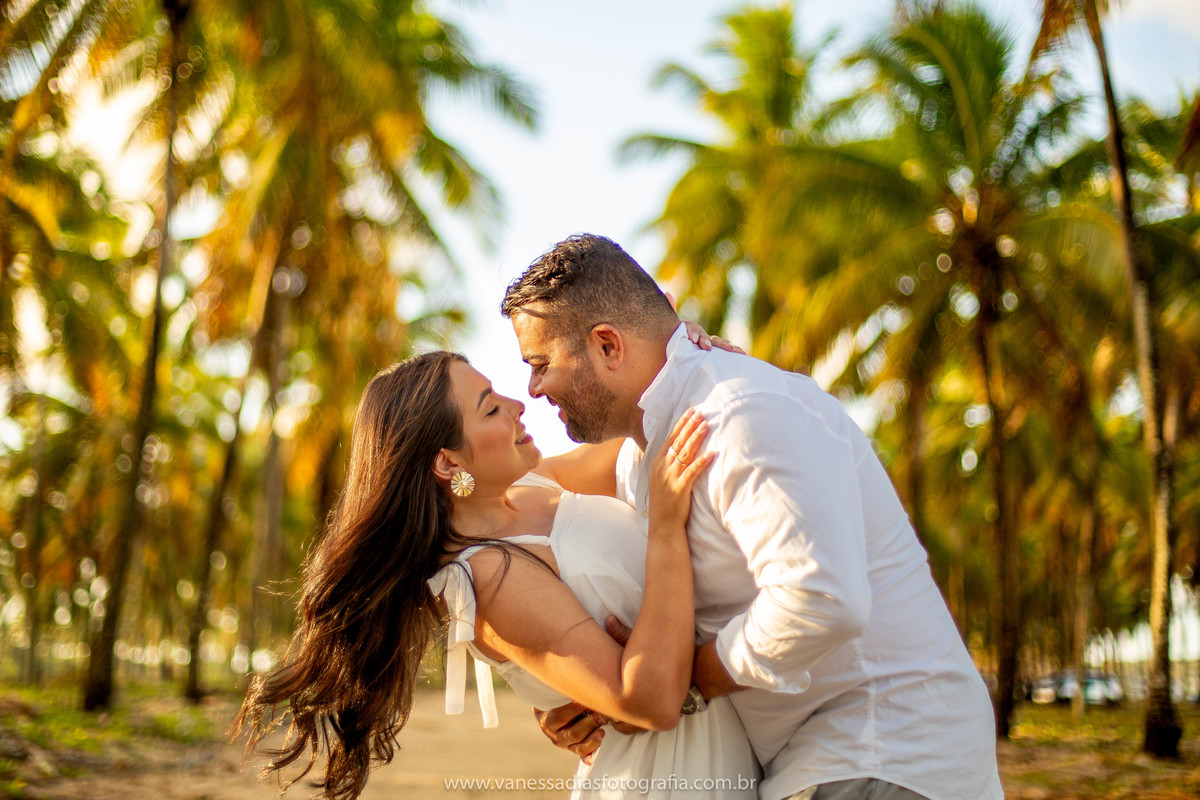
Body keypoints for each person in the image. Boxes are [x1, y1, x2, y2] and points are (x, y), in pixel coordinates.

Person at [501, 233, 1004, 800]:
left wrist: (687, 680)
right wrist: (584, 694)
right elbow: (500, 489)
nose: (533, 389)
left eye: (540, 364)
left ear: (608, 346)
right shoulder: (644, 452)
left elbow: (821, 599)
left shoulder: (737, 412)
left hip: (884, 750)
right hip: (809, 762)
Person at [232, 349, 761, 800]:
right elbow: (646, 699)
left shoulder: (534, 485)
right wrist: (666, 529)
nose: (517, 405)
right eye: (490, 408)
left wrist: (685, 353)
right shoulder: (486, 577)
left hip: (719, 748)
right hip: (670, 777)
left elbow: (646, 434)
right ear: (447, 463)